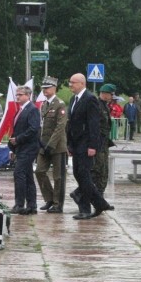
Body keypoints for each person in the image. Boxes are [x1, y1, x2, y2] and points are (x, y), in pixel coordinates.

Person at [66, 73, 112, 220]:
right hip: (76, 144)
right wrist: (69, 144)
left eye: (73, 82)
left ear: (81, 83)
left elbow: (94, 125)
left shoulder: (90, 99)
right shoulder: (73, 99)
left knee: (84, 176)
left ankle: (85, 209)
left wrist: (93, 146)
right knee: (78, 175)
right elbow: (72, 123)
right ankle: (100, 203)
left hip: (86, 145)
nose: (70, 85)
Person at [34, 76, 67, 213]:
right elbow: (42, 126)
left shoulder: (60, 104)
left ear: (54, 89)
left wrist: (51, 144)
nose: (45, 90)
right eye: (43, 88)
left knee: (58, 176)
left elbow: (60, 126)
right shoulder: (44, 104)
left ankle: (57, 204)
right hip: (44, 145)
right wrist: (41, 143)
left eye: (47, 88)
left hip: (57, 146)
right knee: (39, 171)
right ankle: (49, 198)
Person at [8, 84, 41, 214]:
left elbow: (33, 129)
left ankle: (19, 204)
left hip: (29, 147)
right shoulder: (21, 109)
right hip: (21, 148)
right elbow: (17, 129)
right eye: (17, 94)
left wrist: (18, 139)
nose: (17, 97)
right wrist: (12, 147)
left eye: (20, 95)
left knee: (19, 173)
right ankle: (32, 206)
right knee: (27, 176)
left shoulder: (32, 109)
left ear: (28, 96)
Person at [92, 83, 116, 193]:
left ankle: (100, 198)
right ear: (105, 94)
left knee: (104, 172)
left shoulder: (105, 106)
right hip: (98, 144)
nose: (112, 97)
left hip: (104, 144)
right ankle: (80, 194)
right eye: (111, 95)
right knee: (98, 171)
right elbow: (94, 126)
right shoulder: (97, 106)